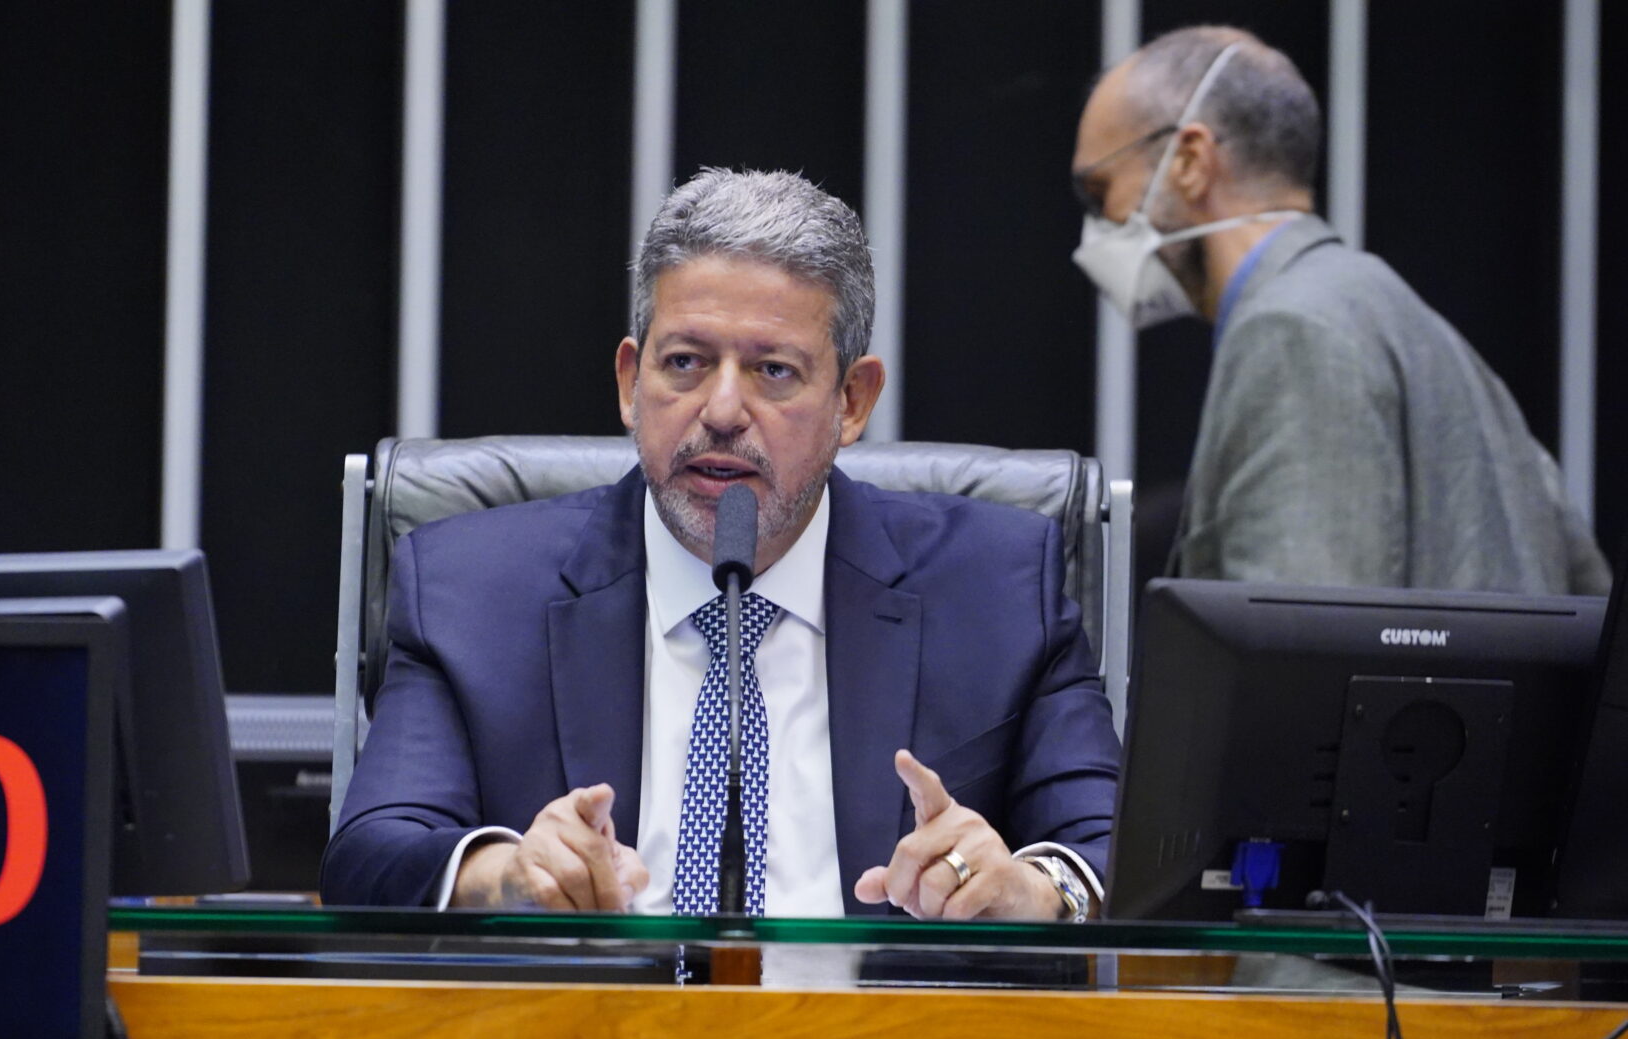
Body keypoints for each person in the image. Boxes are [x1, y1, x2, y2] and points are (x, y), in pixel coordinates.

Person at [323, 168, 1118, 921]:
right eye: (685, 363)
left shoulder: (998, 590)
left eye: (774, 371)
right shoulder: (471, 591)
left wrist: (1032, 889)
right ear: (632, 383)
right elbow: (371, 853)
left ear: (851, 400)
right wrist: (508, 875)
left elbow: (1117, 849)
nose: (724, 411)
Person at [1073, 26, 1610, 594]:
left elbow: (1298, 652)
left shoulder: (1293, 330)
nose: (1094, 228)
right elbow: (1589, 595)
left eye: (1098, 191)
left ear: (1190, 161)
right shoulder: (1410, 323)